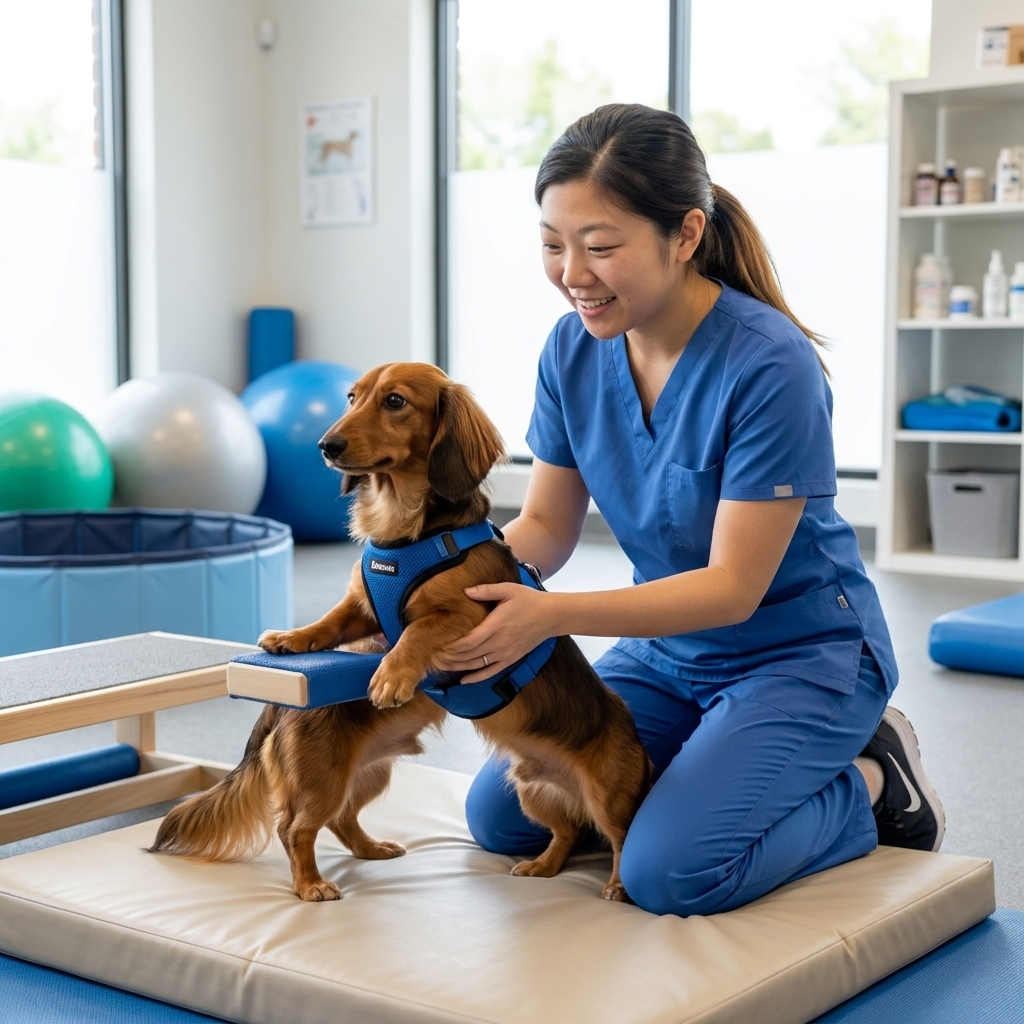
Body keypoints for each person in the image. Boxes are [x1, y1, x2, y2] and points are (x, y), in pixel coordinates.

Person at [436, 104, 944, 918]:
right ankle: (714, 772)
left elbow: (732, 589)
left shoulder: (768, 362)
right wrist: (442, 585)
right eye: (551, 244)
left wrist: (546, 617)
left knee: (668, 871)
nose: (572, 272)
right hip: (668, 651)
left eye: (601, 246)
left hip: (799, 651)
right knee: (511, 819)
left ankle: (874, 781)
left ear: (685, 235)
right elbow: (546, 531)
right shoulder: (571, 348)